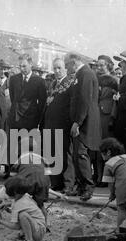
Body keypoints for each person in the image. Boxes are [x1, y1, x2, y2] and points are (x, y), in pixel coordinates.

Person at [65, 52, 101, 201]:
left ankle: (87, 186)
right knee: (76, 154)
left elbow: (85, 101)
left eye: (67, 64)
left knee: (80, 154)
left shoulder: (85, 74)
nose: (66, 67)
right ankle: (81, 186)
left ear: (73, 63)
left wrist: (78, 122)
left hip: (84, 121)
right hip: (82, 120)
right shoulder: (82, 74)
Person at [41, 58, 74, 192]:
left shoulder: (70, 83)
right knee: (51, 154)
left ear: (65, 68)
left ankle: (68, 184)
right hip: (50, 123)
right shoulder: (53, 83)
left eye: (59, 68)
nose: (57, 71)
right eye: (55, 68)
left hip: (63, 124)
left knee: (65, 154)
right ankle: (55, 182)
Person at [11, 136, 51, 228]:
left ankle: (20, 223)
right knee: (40, 205)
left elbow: (13, 180)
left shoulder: (19, 161)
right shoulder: (43, 159)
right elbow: (48, 174)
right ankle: (45, 225)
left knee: (20, 202)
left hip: (28, 183)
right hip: (43, 182)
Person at [0, 175, 47, 241]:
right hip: (40, 228)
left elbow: (16, 226)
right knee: (22, 215)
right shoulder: (24, 196)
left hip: (38, 232)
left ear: (15, 192)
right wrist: (8, 206)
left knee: (23, 215)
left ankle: (29, 240)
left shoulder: (18, 205)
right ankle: (26, 235)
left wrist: (1, 222)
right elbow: (22, 209)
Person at [94, 55, 119, 187]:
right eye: (97, 65)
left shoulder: (114, 80)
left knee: (107, 146)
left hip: (107, 115)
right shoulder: (95, 79)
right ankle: (99, 176)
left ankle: (108, 177)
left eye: (102, 65)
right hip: (97, 114)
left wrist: (113, 117)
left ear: (109, 65)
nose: (99, 68)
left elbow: (117, 101)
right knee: (97, 146)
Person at [8, 54, 47, 131]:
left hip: (30, 122)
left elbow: (42, 103)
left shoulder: (39, 81)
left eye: (24, 66)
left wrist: (36, 119)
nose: (22, 69)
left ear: (31, 64)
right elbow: (13, 98)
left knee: (27, 143)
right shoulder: (13, 79)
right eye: (20, 66)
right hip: (14, 121)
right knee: (13, 143)